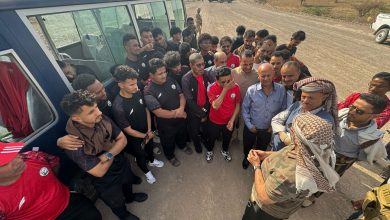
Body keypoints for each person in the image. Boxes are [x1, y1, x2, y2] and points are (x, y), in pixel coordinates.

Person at [61, 90, 147, 220]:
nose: (99, 112)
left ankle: (130, 198)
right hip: (105, 180)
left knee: (127, 181)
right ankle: (124, 215)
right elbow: (99, 171)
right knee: (115, 200)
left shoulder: (100, 119)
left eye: (96, 107)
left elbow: (123, 140)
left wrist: (106, 155)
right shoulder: (74, 143)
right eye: (91, 111)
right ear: (76, 118)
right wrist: (113, 147)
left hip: (120, 163)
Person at [242, 113, 339, 220]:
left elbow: (264, 197)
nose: (290, 129)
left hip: (264, 212)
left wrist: (256, 166)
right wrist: (266, 154)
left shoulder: (292, 174)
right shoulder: (309, 149)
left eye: (293, 128)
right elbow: (289, 151)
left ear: (300, 137)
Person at [0, 143, 102, 220]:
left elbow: (54, 164)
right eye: (7, 161)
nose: (18, 159)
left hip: (68, 202)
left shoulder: (33, 156)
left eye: (13, 153)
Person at [112, 66, 164, 184]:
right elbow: (128, 130)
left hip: (147, 131)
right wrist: (145, 136)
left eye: (135, 83)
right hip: (134, 138)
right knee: (140, 155)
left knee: (150, 148)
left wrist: (149, 130)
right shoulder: (118, 106)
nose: (135, 87)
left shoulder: (137, 92)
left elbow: (145, 109)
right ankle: (147, 172)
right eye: (131, 84)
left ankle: (152, 160)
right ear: (120, 84)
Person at [144, 58, 193, 167]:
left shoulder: (170, 80)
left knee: (182, 133)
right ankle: (170, 156)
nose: (164, 75)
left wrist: (181, 108)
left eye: (165, 72)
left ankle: (182, 145)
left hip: (180, 118)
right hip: (166, 125)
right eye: (159, 73)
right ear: (151, 75)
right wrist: (178, 113)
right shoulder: (148, 91)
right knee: (168, 141)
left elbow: (181, 95)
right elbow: (159, 112)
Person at [271, 77, 338, 151]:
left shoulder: (325, 121)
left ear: (323, 98)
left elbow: (304, 145)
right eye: (303, 97)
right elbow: (276, 120)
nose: (305, 101)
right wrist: (282, 134)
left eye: (311, 98)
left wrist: (287, 138)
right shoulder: (297, 105)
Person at [241, 63, 286, 169]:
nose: (266, 78)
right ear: (258, 76)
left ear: (273, 74)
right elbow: (245, 108)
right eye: (263, 75)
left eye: (268, 75)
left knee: (262, 148)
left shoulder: (281, 90)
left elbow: (283, 110)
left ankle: (257, 163)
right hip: (251, 127)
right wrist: (249, 125)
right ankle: (246, 159)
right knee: (247, 145)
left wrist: (273, 127)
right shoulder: (251, 90)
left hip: (268, 129)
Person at [182, 53, 215, 153]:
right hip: (193, 110)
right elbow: (189, 100)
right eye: (198, 65)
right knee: (194, 131)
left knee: (206, 128)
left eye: (203, 64)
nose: (202, 67)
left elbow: (214, 89)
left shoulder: (207, 74)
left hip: (206, 107)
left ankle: (205, 139)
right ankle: (196, 143)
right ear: (191, 65)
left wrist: (205, 110)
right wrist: (201, 114)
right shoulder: (186, 79)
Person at [206, 67, 241, 162]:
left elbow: (237, 104)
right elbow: (215, 106)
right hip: (214, 121)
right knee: (211, 138)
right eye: (223, 82)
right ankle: (209, 150)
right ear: (216, 80)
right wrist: (225, 90)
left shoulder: (236, 87)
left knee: (227, 138)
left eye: (229, 80)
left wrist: (232, 120)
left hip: (229, 121)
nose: (227, 83)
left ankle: (225, 151)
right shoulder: (211, 88)